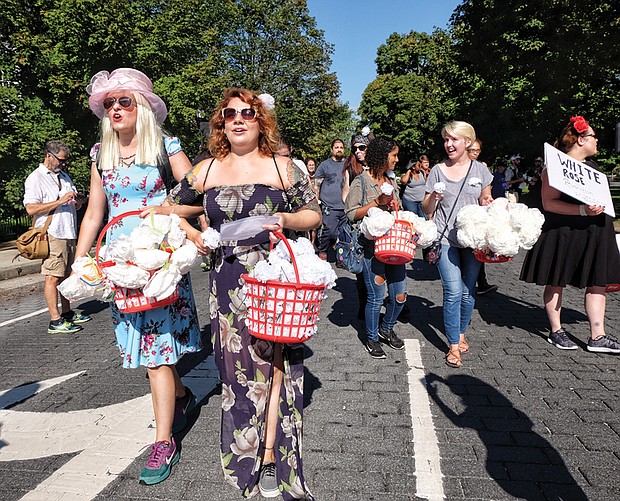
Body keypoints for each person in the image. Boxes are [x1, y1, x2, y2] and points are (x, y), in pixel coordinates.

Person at [165, 88, 321, 499]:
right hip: (227, 282)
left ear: (260, 121)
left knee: (277, 369)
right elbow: (167, 209)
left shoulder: (284, 168)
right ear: (220, 123)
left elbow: (313, 214)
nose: (237, 119)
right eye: (229, 114)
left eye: (247, 114)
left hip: (276, 282)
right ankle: (244, 453)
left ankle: (270, 456)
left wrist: (284, 217)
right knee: (236, 375)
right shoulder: (207, 169)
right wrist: (196, 234)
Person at [76, 68, 203, 485]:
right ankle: (182, 396)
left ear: (142, 107)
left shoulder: (166, 146)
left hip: (160, 262)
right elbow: (95, 211)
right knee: (151, 351)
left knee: (155, 354)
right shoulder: (101, 154)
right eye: (109, 103)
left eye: (124, 101)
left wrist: (169, 216)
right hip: (120, 266)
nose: (115, 108)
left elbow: (196, 197)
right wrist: (82, 261)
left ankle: (164, 440)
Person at [520, 116, 620, 353]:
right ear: (581, 140)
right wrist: (582, 210)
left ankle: (598, 336)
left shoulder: (593, 168)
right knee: (556, 280)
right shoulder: (554, 167)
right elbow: (549, 202)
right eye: (594, 137)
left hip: (595, 232)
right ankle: (556, 331)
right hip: (563, 232)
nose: (597, 141)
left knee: (598, 283)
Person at [423, 121, 493, 368]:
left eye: (454, 139)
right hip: (445, 239)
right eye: (446, 139)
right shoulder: (437, 171)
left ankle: (461, 331)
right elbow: (426, 208)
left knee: (468, 291)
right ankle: (453, 345)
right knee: (452, 291)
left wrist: (489, 203)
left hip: (473, 240)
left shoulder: (480, 170)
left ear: (467, 142)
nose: (449, 144)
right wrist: (434, 197)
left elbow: (486, 198)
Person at [344, 136, 406, 359]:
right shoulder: (361, 182)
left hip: (395, 246)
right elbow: (351, 214)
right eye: (394, 156)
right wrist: (376, 203)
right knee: (376, 297)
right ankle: (371, 337)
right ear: (382, 156)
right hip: (371, 249)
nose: (397, 160)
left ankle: (386, 328)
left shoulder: (392, 180)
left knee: (400, 296)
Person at [23, 141, 91, 334]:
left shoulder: (63, 176)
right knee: (53, 276)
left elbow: (69, 204)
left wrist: (77, 202)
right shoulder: (36, 178)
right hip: (52, 233)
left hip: (69, 232)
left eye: (65, 161)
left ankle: (67, 313)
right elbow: (31, 208)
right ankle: (55, 320)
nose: (63, 164)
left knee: (66, 275)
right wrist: (60, 201)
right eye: (61, 160)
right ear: (49, 156)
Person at [341, 132, 371, 318]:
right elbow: (345, 194)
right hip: (358, 221)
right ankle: (364, 307)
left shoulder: (377, 167)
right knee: (362, 266)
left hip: (377, 221)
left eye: (362, 147)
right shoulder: (350, 169)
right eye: (355, 148)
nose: (358, 151)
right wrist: (355, 204)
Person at [467, 140, 498, 296]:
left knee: (477, 252)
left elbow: (486, 193)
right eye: (473, 150)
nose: (475, 153)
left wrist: (488, 202)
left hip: (478, 218)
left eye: (478, 150)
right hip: (463, 219)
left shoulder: (481, 168)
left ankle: (480, 283)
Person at [314, 138, 346, 261]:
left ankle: (341, 257)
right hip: (329, 205)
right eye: (336, 147)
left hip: (345, 205)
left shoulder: (348, 163)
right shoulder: (325, 165)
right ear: (332, 149)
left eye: (341, 147)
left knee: (343, 234)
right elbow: (317, 184)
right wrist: (316, 201)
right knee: (330, 232)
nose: (339, 149)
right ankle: (323, 250)